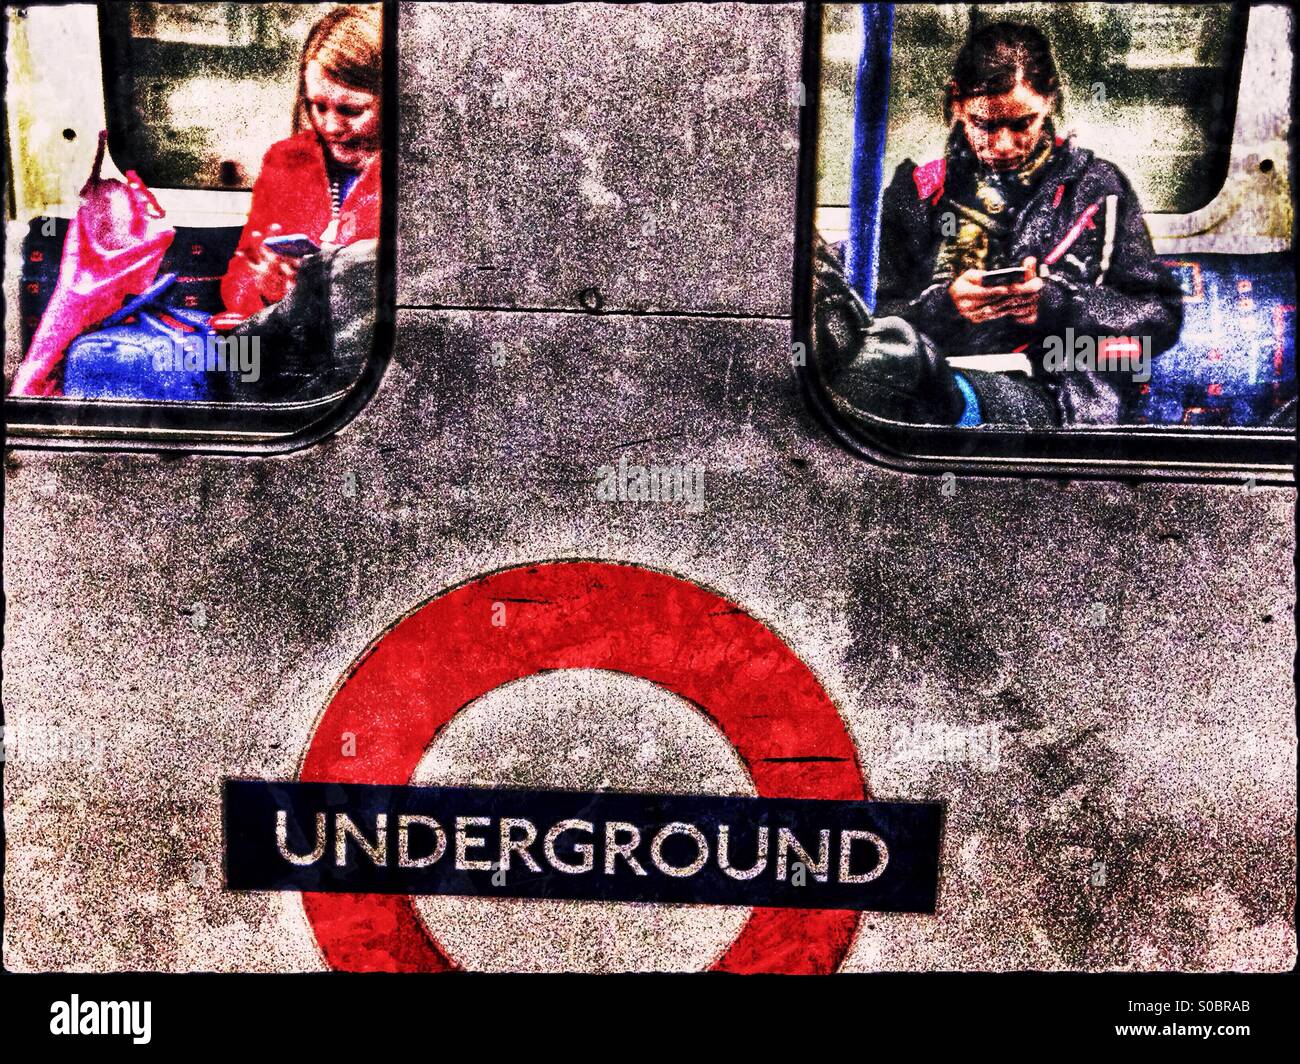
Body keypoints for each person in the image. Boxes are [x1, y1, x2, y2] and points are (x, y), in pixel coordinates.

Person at [859, 21, 1184, 427]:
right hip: (935, 375)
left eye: (1021, 124)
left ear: (1048, 100)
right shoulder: (920, 193)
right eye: (985, 125)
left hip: (1059, 395)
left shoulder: (1095, 189)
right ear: (958, 103)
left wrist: (1058, 306)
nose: (1003, 146)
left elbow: (1159, 316)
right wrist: (946, 306)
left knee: (933, 402)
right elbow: (868, 315)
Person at [220, 5, 381, 318]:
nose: (331, 127)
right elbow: (237, 282)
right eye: (318, 106)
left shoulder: (418, 173)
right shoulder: (285, 163)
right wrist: (265, 287)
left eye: (351, 111)